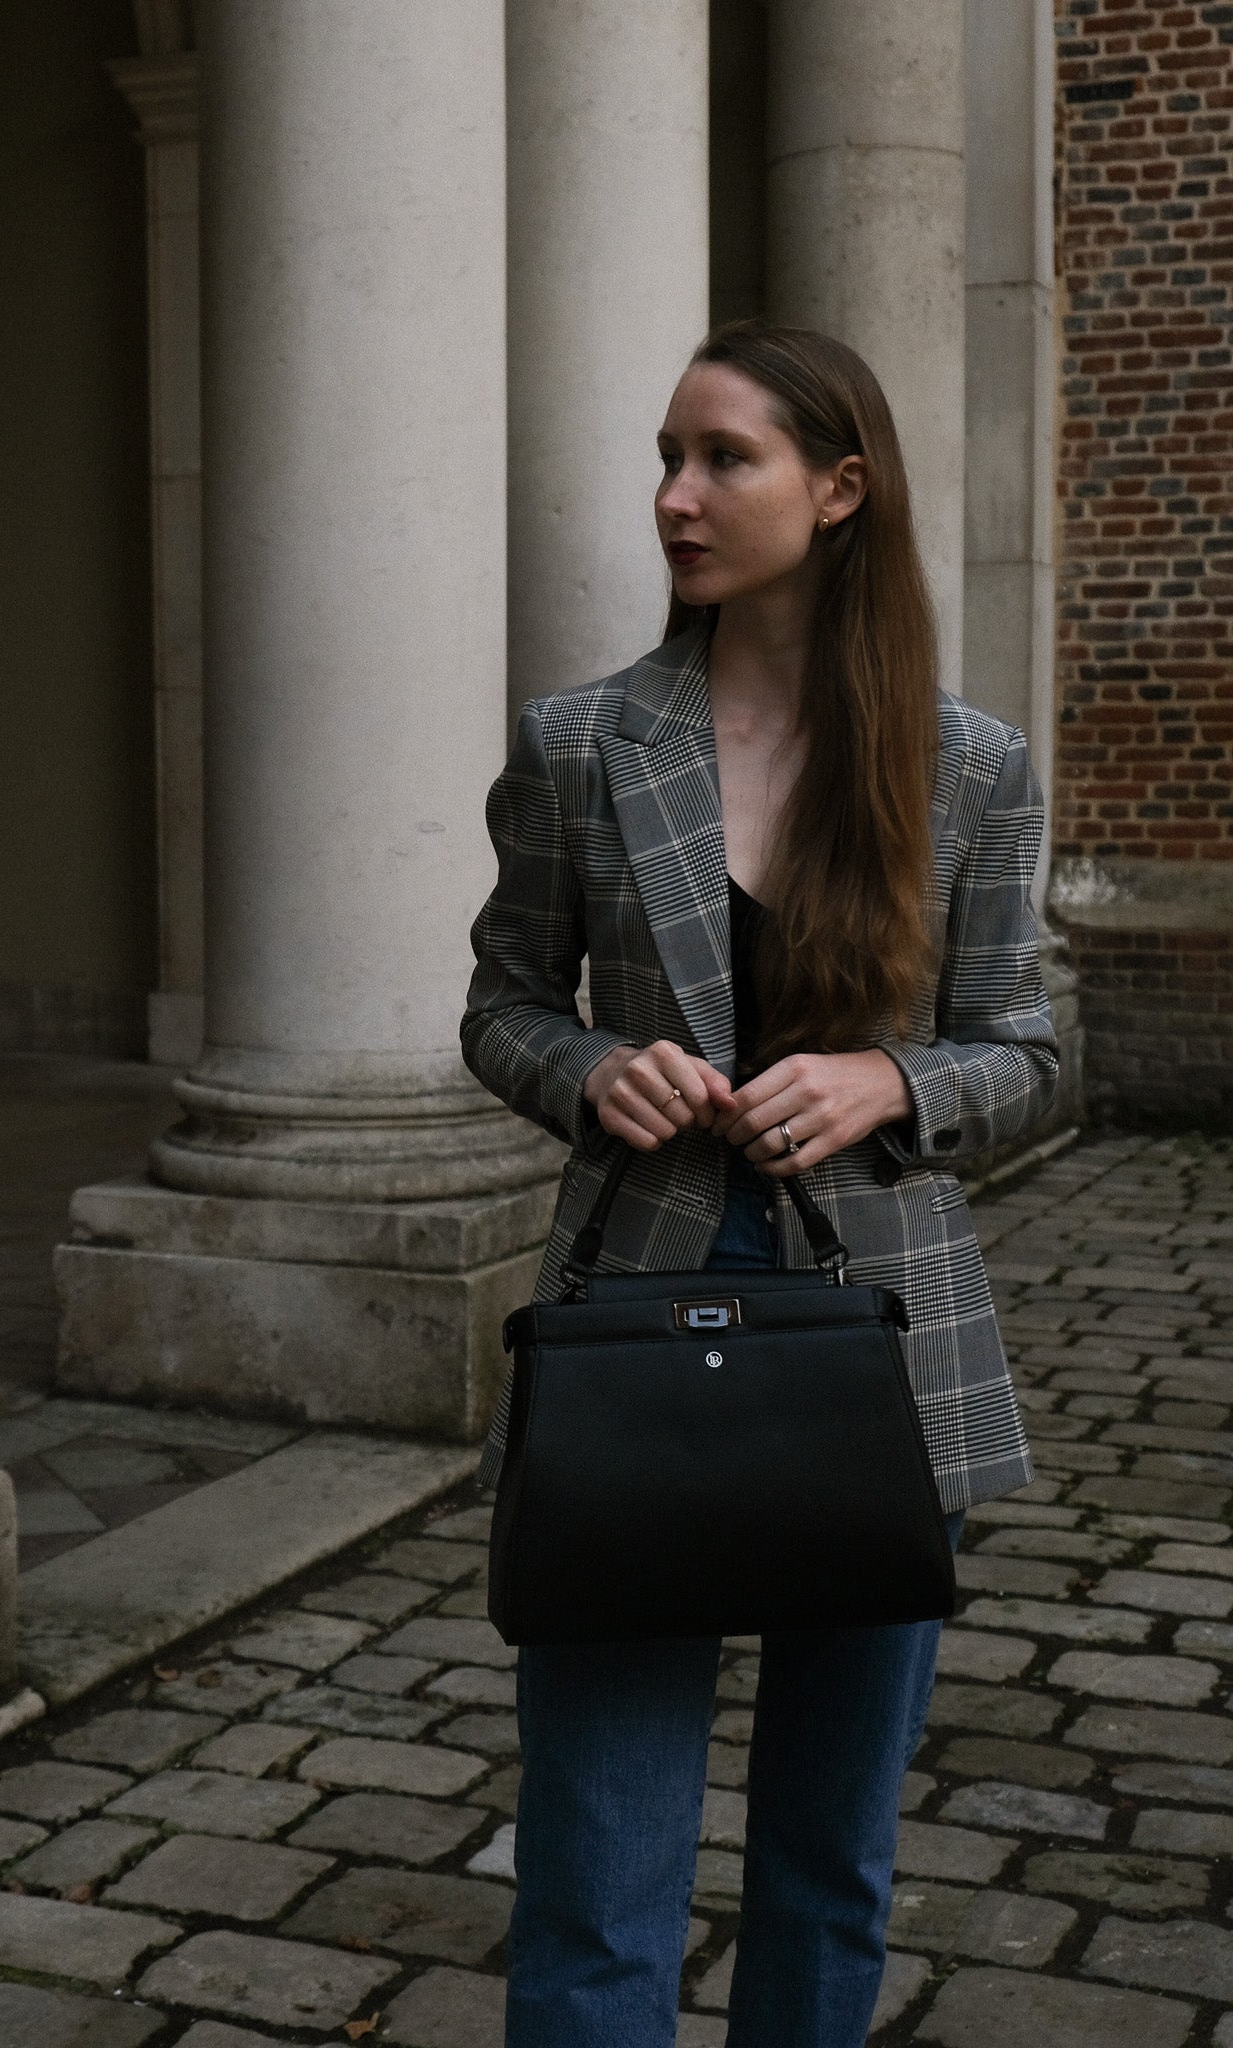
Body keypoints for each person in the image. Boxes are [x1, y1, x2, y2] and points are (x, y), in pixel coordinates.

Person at [460, 319, 1059, 2048]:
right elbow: (500, 1004)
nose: (676, 495)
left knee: (827, 1861)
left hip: (884, 1347)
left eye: (723, 457)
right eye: (667, 455)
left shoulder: (970, 766)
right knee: (592, 1864)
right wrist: (588, 1069)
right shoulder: (581, 742)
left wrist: (890, 1076)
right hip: (628, 1329)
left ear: (840, 487)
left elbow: (1021, 1044)